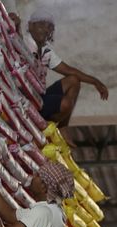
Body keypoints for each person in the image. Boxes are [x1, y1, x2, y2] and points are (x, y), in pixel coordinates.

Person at [25, 9, 109, 141]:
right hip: (27, 102)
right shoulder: (23, 44)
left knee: (74, 80)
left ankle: (62, 127)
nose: (46, 30)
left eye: (49, 28)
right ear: (30, 26)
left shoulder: (45, 52)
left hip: (39, 98)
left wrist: (96, 82)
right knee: (65, 104)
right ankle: (46, 125)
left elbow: (70, 71)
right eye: (41, 25)